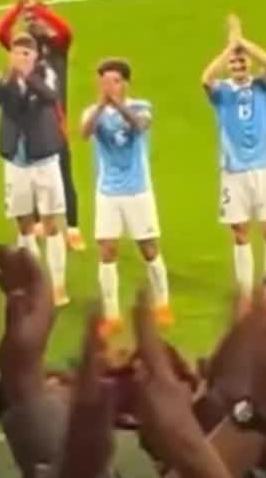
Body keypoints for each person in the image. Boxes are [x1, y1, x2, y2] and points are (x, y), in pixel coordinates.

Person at [82, 58, 170, 334]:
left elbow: (140, 126)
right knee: (107, 251)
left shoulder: (140, 106)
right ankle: (112, 315)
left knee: (149, 248)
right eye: (105, 81)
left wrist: (118, 105)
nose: (109, 86)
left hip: (137, 191)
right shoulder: (93, 112)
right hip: (108, 192)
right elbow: (84, 133)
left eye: (115, 81)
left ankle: (163, 303)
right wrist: (102, 105)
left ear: (125, 84)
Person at [0, 35, 69, 307]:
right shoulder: (4, 78)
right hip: (16, 162)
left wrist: (28, 76)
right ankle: (34, 282)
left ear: (35, 56)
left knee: (51, 222)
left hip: (44, 160)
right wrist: (8, 77)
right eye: (17, 53)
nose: (21, 58)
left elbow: (51, 97)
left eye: (26, 54)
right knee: (23, 223)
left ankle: (58, 285)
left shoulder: (47, 75)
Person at [0, 0, 82, 251]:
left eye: (35, 19)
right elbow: (0, 31)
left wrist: (39, 9)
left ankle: (73, 228)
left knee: (64, 174)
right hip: (26, 124)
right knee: (29, 176)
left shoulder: (57, 46)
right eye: (28, 19)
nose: (31, 23)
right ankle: (35, 225)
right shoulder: (21, 50)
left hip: (55, 123)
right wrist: (18, 7)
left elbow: (66, 30)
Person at [201, 15, 266, 298]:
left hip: (264, 167)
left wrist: (241, 40)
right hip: (234, 170)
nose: (238, 65)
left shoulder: (262, 86)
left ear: (249, 62)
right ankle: (246, 294)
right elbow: (206, 78)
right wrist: (230, 47)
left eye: (242, 61)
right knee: (241, 233)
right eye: (234, 62)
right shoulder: (222, 92)